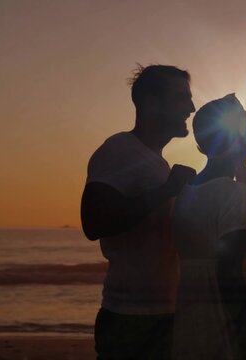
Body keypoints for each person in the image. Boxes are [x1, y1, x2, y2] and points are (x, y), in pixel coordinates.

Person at [81, 64, 197, 359]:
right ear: (151, 103)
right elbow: (93, 222)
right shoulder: (119, 150)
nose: (191, 107)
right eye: (181, 98)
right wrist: (167, 191)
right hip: (131, 320)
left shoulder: (156, 162)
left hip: (161, 315)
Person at [171, 94, 246, 359]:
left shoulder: (187, 190)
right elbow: (229, 267)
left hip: (191, 309)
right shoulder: (232, 193)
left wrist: (243, 184)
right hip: (223, 316)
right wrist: (245, 331)